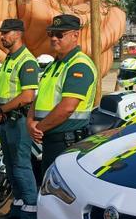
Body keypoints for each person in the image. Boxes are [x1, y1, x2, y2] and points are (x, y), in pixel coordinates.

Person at [28, 15, 98, 177]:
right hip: (50, 137)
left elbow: (67, 107)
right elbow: (39, 97)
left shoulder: (79, 65)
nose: (53, 38)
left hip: (66, 142)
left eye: (60, 34)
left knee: (59, 192)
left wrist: (38, 128)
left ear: (75, 35)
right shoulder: (54, 64)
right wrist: (30, 121)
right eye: (51, 33)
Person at [0, 19, 40, 219]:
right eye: (1, 33)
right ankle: (18, 209)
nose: (2, 36)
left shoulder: (27, 61)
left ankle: (30, 217)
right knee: (11, 168)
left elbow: (28, 96)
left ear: (18, 34)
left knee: (21, 168)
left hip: (19, 122)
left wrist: (2, 110)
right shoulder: (9, 59)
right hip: (6, 122)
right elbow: (2, 91)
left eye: (6, 33)